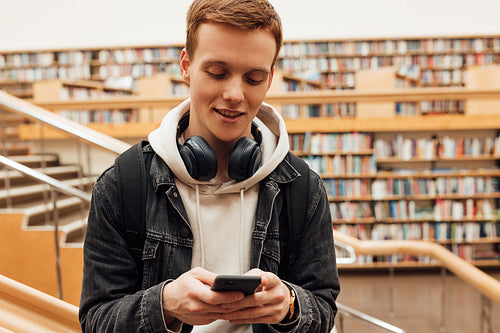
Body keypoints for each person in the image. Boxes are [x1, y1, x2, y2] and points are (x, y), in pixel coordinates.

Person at [79, 0, 340, 332]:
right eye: (217, 73)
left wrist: (290, 305)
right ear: (186, 65)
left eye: (254, 78)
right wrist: (165, 304)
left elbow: (323, 308)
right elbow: (96, 320)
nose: (234, 93)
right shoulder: (123, 184)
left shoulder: (302, 187)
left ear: (271, 78)